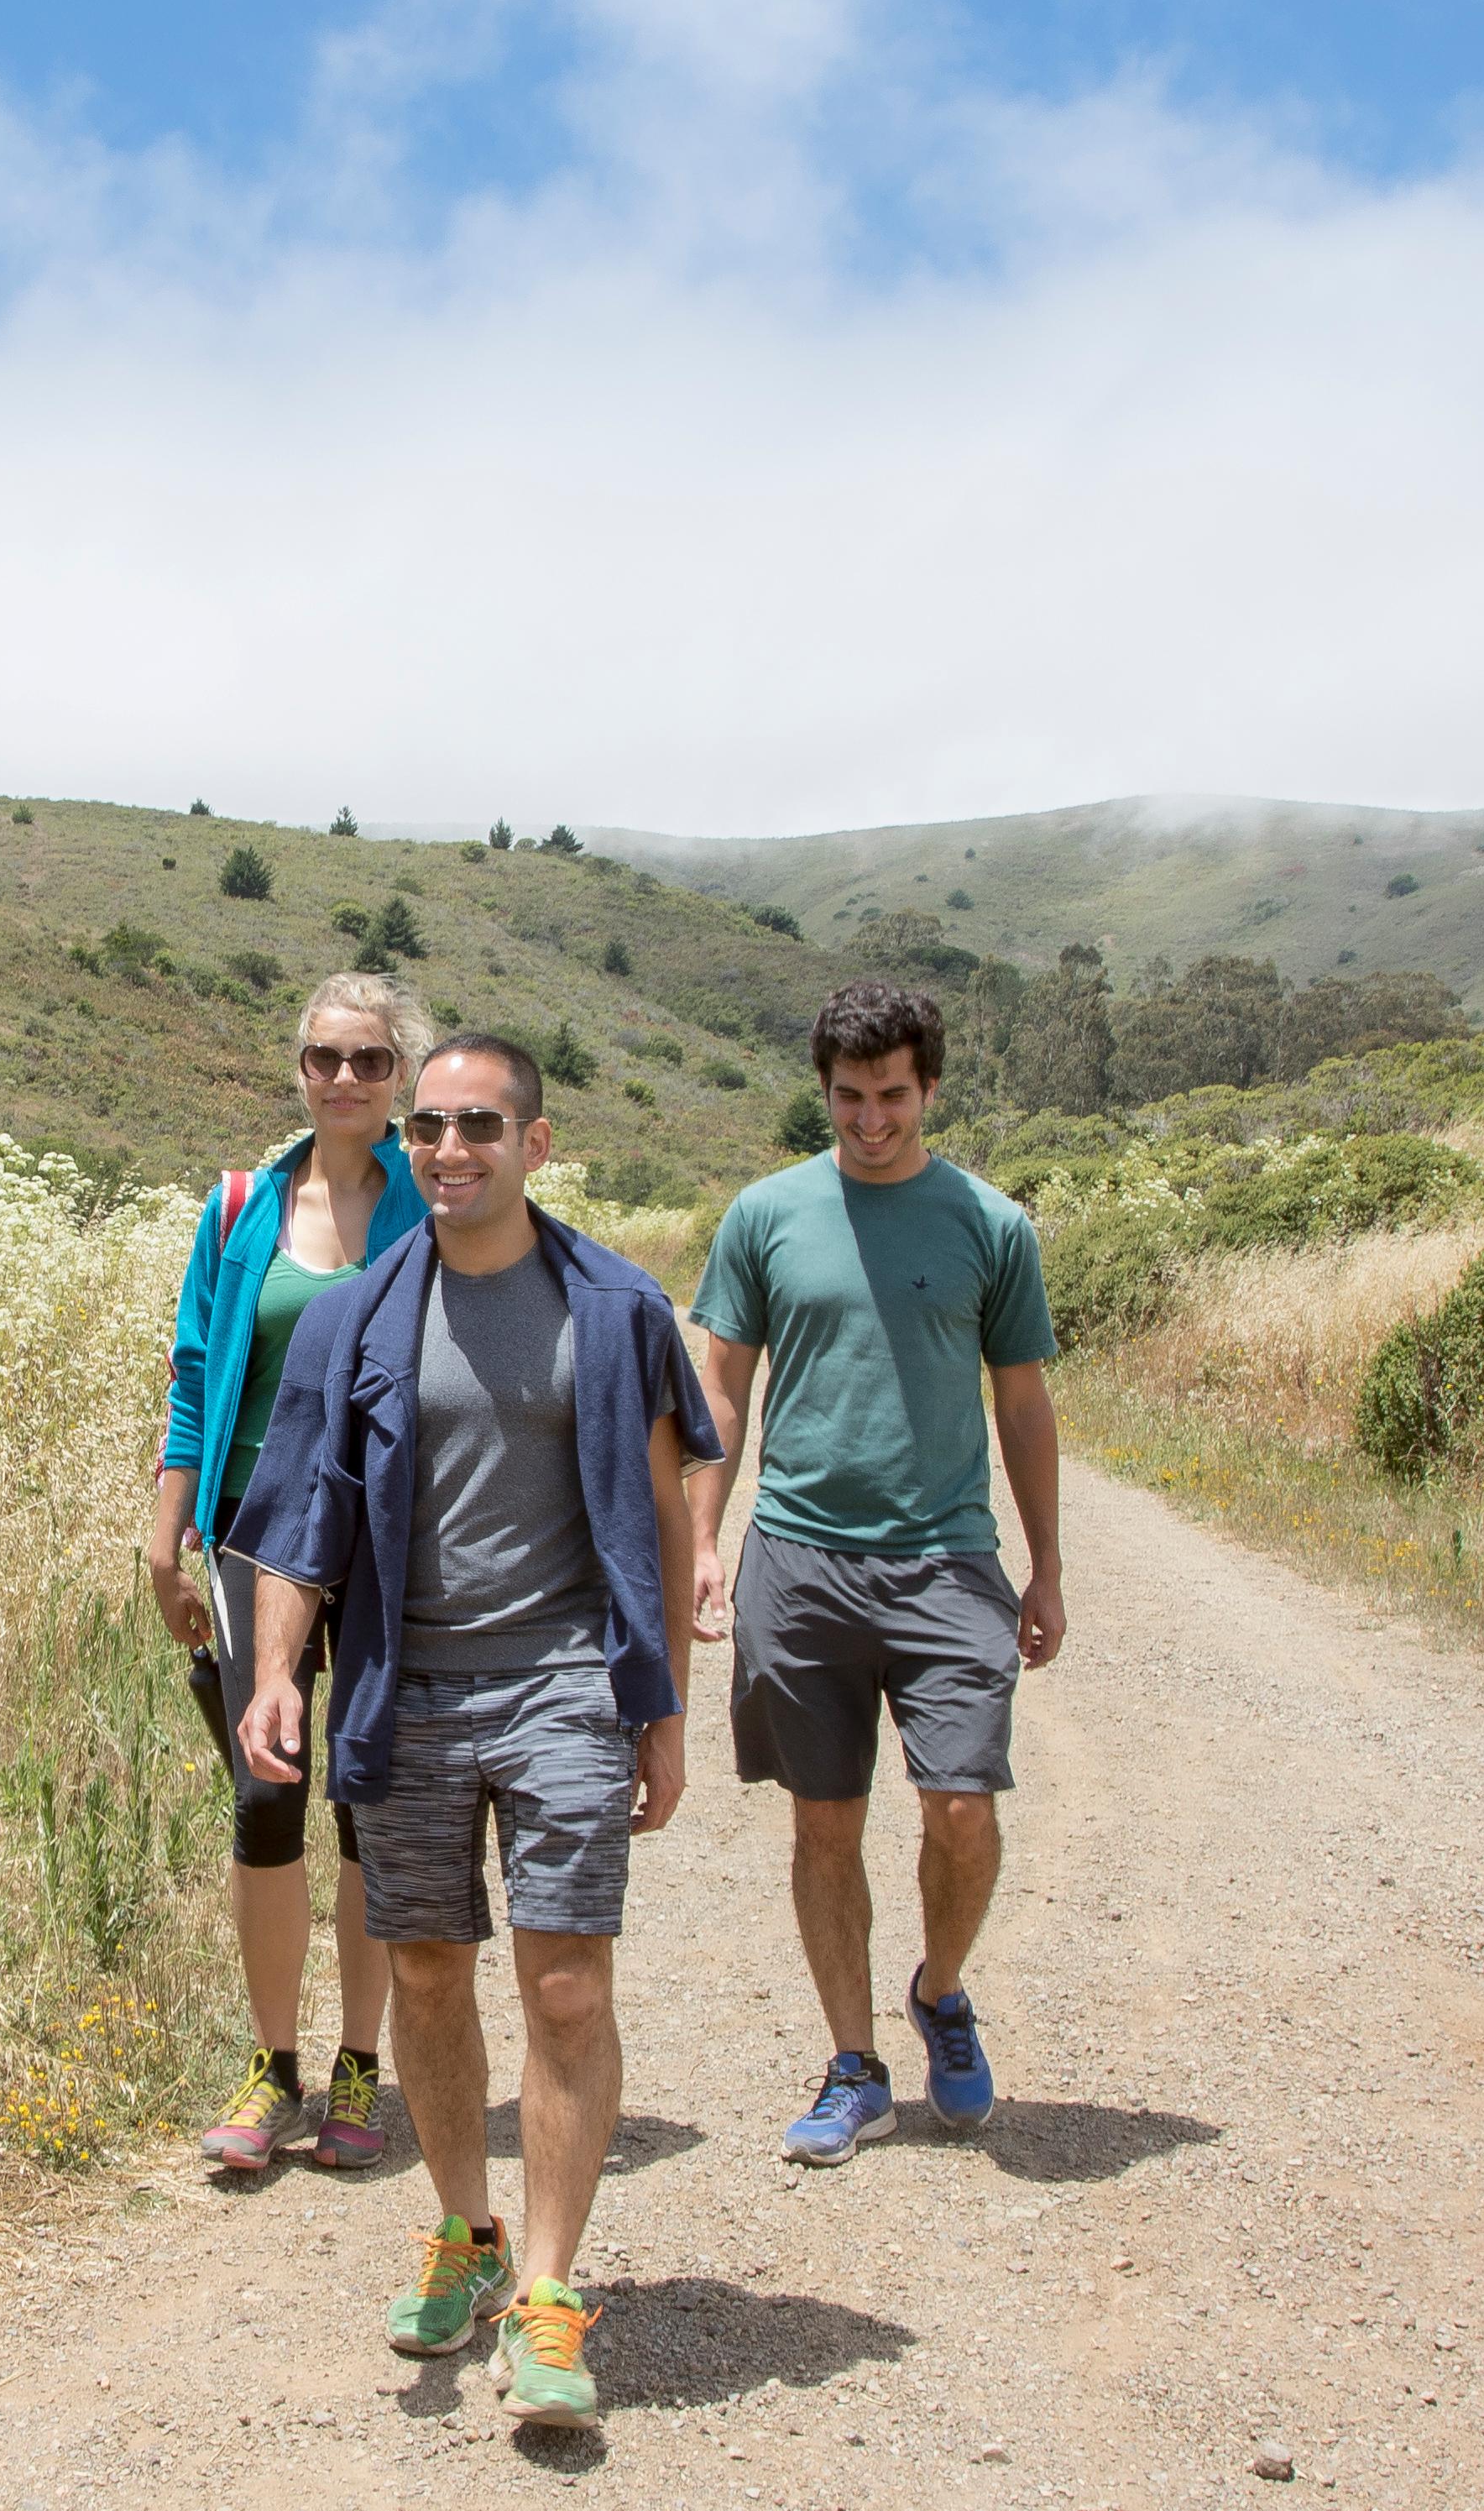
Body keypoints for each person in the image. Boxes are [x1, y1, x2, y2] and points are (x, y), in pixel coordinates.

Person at [230, 1035, 717, 2430]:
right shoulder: (350, 1321)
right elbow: (294, 1526)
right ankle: (465, 2230)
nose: (451, 1149)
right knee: (429, 1976)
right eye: (431, 1126)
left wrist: (660, 1711)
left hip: (565, 1682)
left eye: (480, 1126)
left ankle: (552, 2292)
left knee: (565, 1984)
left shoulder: (617, 1308)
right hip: (407, 1687)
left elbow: (658, 1516)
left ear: (535, 1142)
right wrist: (277, 1676)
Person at [686, 976, 1063, 2168]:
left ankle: (939, 1991)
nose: (869, 1121)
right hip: (797, 1559)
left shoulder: (988, 1225)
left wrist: (1046, 1565)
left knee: (960, 1805)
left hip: (947, 1558)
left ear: (930, 1088)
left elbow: (1022, 1398)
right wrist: (700, 1541)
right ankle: (852, 2064)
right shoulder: (764, 1215)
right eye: (848, 1097)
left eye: (891, 1095)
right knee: (823, 1823)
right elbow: (721, 1387)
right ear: (825, 1091)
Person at [148, 970, 435, 2174]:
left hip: (386, 1543)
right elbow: (194, 1375)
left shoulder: (438, 1205)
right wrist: (161, 1538)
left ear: (400, 1078)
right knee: (262, 1798)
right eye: (324, 1056)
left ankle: (361, 2067)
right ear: (297, 1066)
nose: (343, 1080)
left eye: (369, 1061)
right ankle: (272, 2067)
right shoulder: (237, 1208)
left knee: (366, 1802)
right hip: (248, 1540)